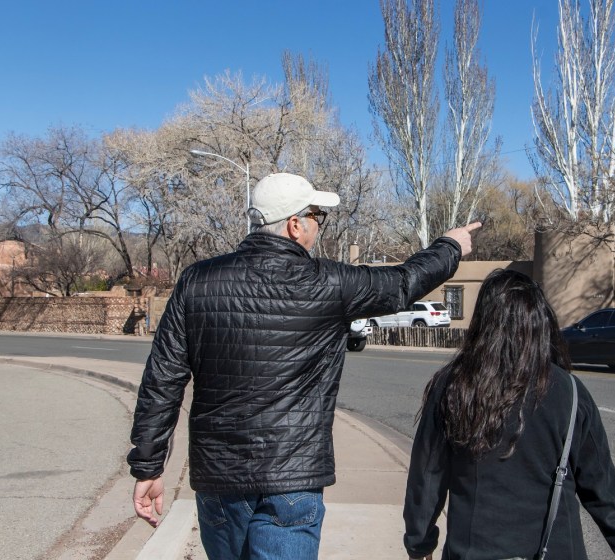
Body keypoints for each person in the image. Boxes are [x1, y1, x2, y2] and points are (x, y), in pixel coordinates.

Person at [127, 171, 481, 559]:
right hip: (293, 480)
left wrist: (148, 466)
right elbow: (402, 282)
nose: (318, 226)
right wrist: (450, 246)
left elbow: (162, 380)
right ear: (295, 225)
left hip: (219, 478)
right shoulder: (329, 283)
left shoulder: (196, 281)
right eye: (317, 217)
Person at [403, 268, 615, 560]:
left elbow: (428, 475)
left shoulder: (453, 386)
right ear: (540, 322)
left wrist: (419, 544)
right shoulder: (570, 392)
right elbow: (604, 492)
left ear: (483, 322)